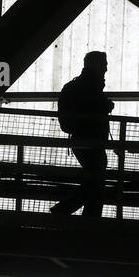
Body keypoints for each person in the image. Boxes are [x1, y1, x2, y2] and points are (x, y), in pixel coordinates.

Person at [52, 51, 113, 217]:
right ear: (95, 65)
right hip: (91, 142)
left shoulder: (78, 85)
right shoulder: (91, 86)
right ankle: (69, 214)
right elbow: (91, 109)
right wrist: (105, 107)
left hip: (83, 141)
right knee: (96, 185)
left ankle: (70, 215)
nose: (106, 68)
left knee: (94, 184)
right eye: (104, 63)